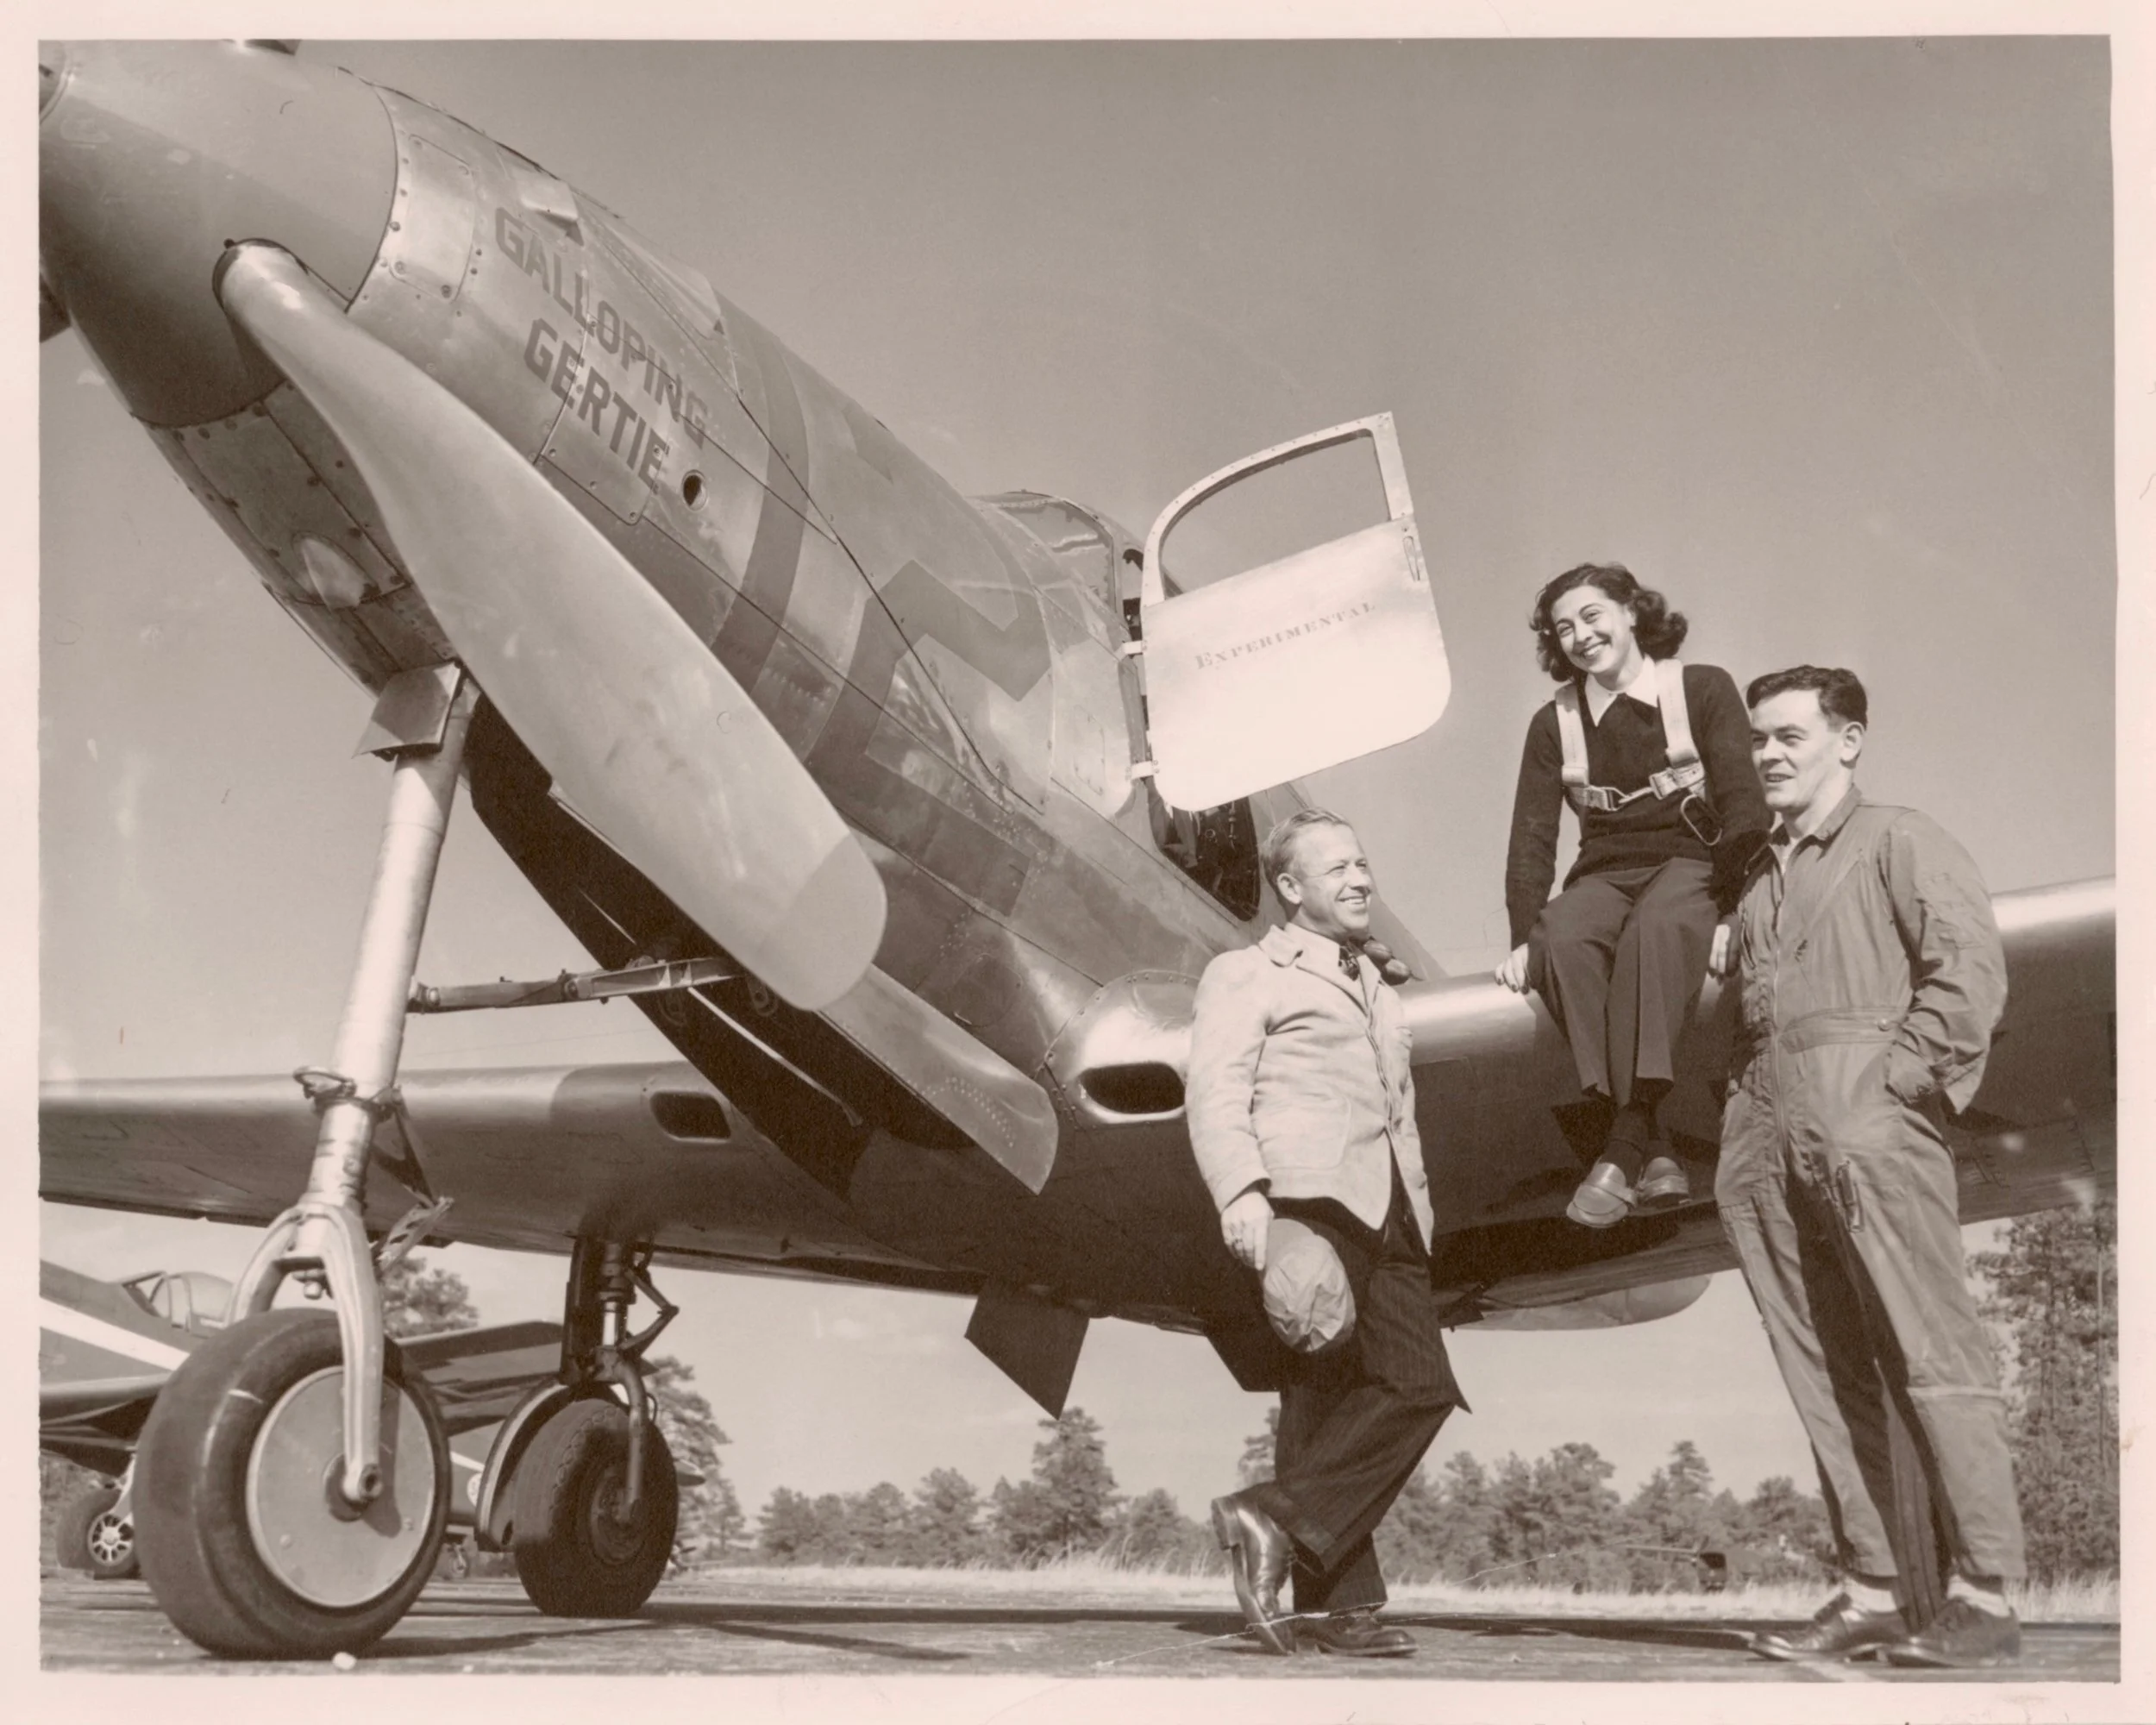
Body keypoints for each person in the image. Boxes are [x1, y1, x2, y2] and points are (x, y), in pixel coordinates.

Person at [1718, 666, 2022, 1668]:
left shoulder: (1899, 837)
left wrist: (1897, 1086)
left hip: (1868, 1118)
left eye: (1789, 734)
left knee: (1933, 1353)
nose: (1767, 751)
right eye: (1758, 736)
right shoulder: (1759, 879)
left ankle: (1985, 1587)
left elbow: (1966, 970)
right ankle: (1873, 1586)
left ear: (1847, 740)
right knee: (1819, 1367)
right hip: (1765, 1132)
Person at [1188, 809, 1462, 1659]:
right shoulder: (1246, 971)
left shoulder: (1376, 981)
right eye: (1335, 867)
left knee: (1411, 1383)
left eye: (1362, 862)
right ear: (1290, 887)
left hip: (1389, 1204)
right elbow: (1215, 1088)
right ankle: (1341, 1605)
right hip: (1306, 1192)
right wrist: (1241, 1192)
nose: (1358, 878)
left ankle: (1275, 1522)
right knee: (1326, 1390)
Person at [1498, 563, 1768, 1226]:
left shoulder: (1701, 687)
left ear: (1629, 612)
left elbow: (1743, 803)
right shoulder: (1552, 724)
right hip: (1604, 871)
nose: (1581, 636)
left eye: (1592, 616)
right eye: (1564, 630)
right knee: (1561, 936)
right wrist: (1521, 937)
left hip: (1690, 860)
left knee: (1656, 929)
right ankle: (1654, 1145)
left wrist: (1737, 910)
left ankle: (1626, 1140)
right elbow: (1530, 841)